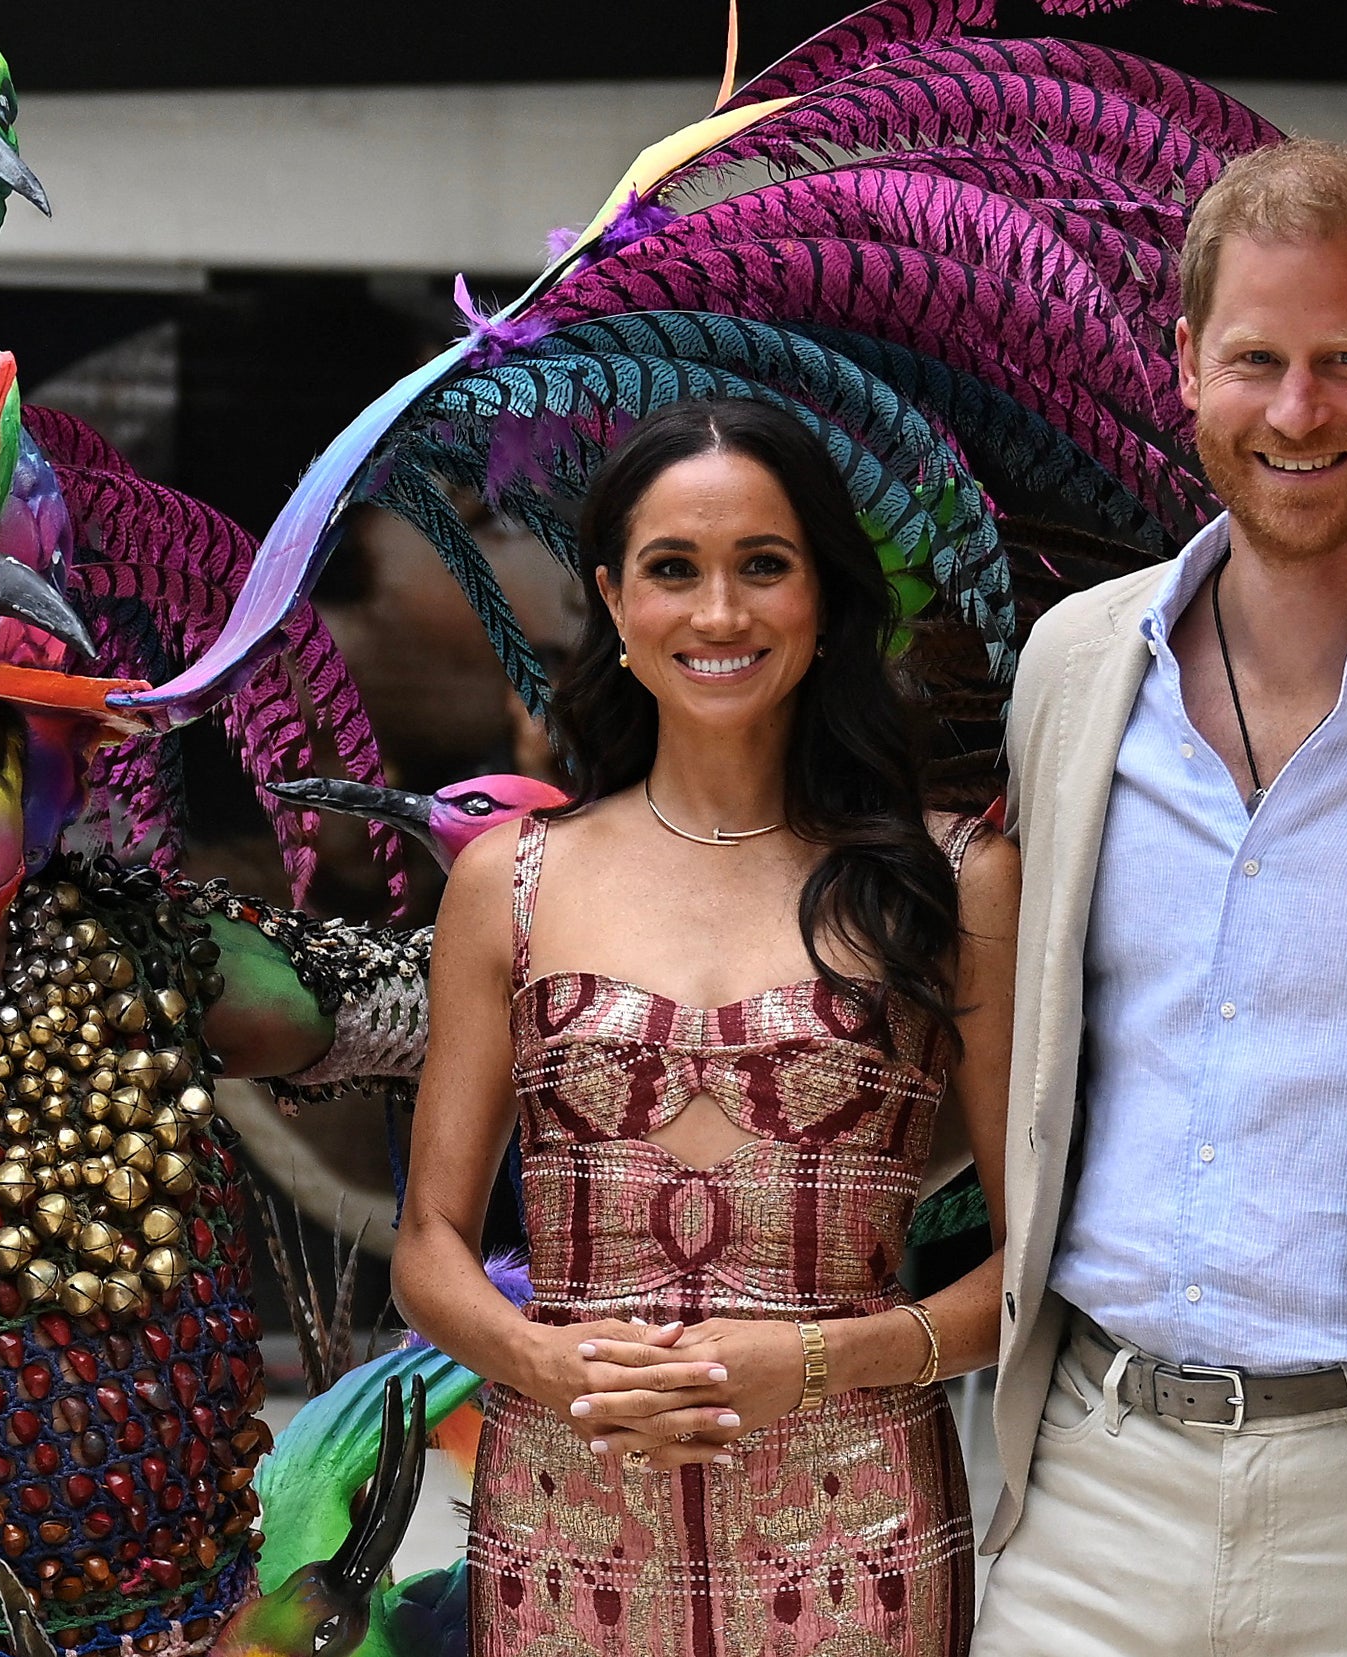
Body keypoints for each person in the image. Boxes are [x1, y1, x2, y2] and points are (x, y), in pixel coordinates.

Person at [971, 138, 1347, 1657]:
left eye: (1346, 361)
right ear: (1184, 365)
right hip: (1084, 1487)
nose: (1296, 412)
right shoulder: (1072, 667)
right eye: (1254, 359)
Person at [391, 397, 1019, 1655]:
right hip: (565, 1522)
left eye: (763, 568)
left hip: (853, 1535)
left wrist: (820, 1363)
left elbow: (1028, 1275)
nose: (719, 614)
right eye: (674, 570)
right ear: (615, 602)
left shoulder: (953, 880)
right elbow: (427, 1248)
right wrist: (538, 1358)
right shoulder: (509, 880)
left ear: (826, 600)